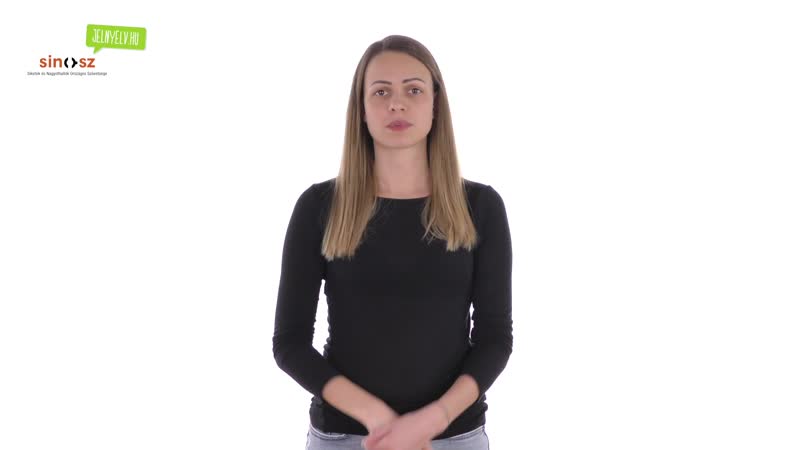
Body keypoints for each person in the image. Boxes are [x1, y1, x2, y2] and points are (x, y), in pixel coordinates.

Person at [272, 35, 513, 450]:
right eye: (381, 92)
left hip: (453, 438)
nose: (396, 104)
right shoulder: (319, 207)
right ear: (362, 109)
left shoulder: (481, 207)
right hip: (346, 437)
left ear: (435, 104)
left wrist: (430, 421)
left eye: (413, 90)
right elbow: (290, 343)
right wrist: (380, 420)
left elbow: (494, 338)